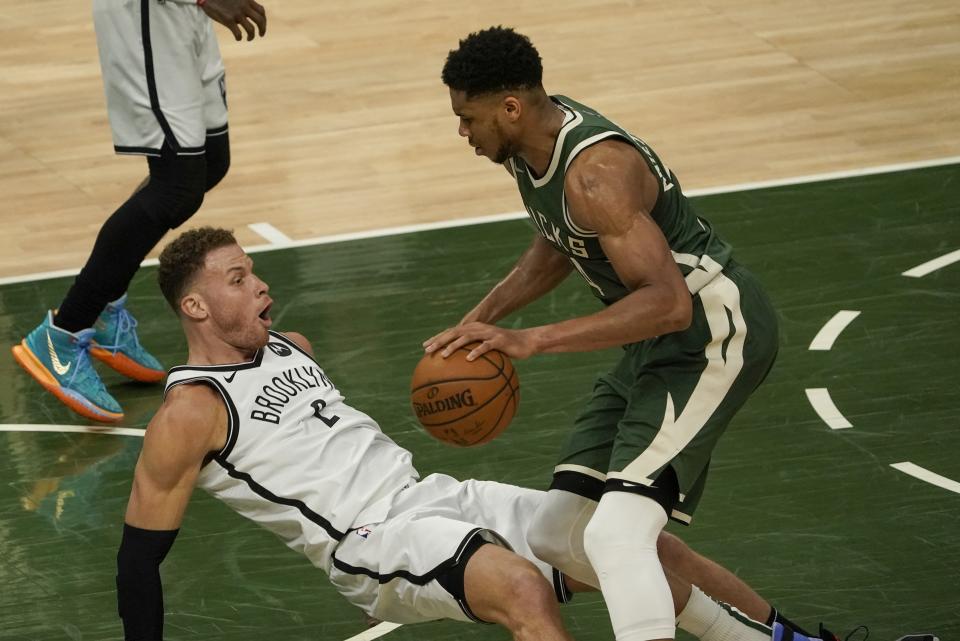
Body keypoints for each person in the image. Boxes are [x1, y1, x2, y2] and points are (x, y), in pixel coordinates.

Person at [427, 27, 934, 641]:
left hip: (713, 334)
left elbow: (668, 304)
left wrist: (532, 340)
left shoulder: (595, 172)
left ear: (510, 107)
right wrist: (481, 319)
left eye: (467, 117)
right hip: (656, 345)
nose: (462, 132)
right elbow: (559, 242)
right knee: (556, 533)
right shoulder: (533, 149)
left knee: (618, 534)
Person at [116, 226, 834, 641]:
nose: (259, 284)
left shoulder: (294, 343)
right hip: (367, 541)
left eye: (254, 270)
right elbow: (137, 562)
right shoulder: (191, 412)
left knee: (636, 543)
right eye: (238, 279)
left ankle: (788, 637)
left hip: (434, 494)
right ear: (196, 306)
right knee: (524, 589)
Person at [11, 0, 268, 423]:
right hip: (149, 11)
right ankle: (66, 329)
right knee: (175, 186)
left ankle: (107, 304)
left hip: (183, 13)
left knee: (209, 163)